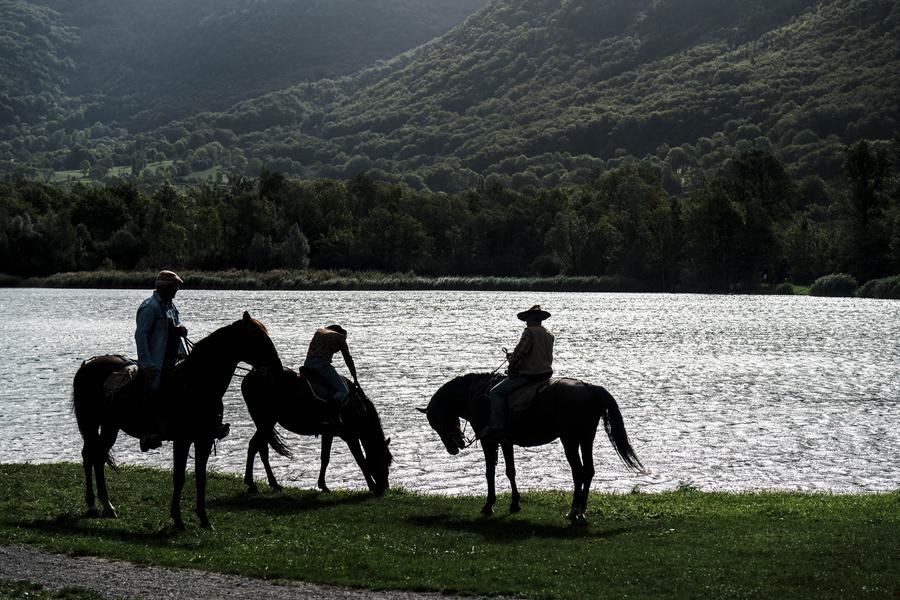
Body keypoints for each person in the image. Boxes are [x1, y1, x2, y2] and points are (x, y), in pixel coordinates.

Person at [135, 270, 228, 451]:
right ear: (165, 287)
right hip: (156, 362)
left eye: (176, 286)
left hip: (176, 358)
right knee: (154, 388)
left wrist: (180, 331)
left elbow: (171, 330)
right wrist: (147, 365)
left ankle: (210, 423)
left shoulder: (171, 307)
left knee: (202, 384)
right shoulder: (149, 306)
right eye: (174, 286)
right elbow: (141, 336)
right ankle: (147, 432)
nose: (177, 290)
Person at [481, 305, 554, 442]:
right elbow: (536, 353)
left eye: (527, 319)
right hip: (545, 374)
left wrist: (512, 362)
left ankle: (497, 427)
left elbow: (521, 353)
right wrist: (514, 356)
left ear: (531, 319)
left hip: (531, 374)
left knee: (495, 392)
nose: (526, 322)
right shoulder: (548, 334)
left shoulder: (529, 332)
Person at [303, 324, 358, 407]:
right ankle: (332, 412)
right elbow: (348, 359)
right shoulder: (340, 337)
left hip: (307, 363)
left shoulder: (319, 332)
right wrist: (354, 377)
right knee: (343, 391)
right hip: (321, 365)